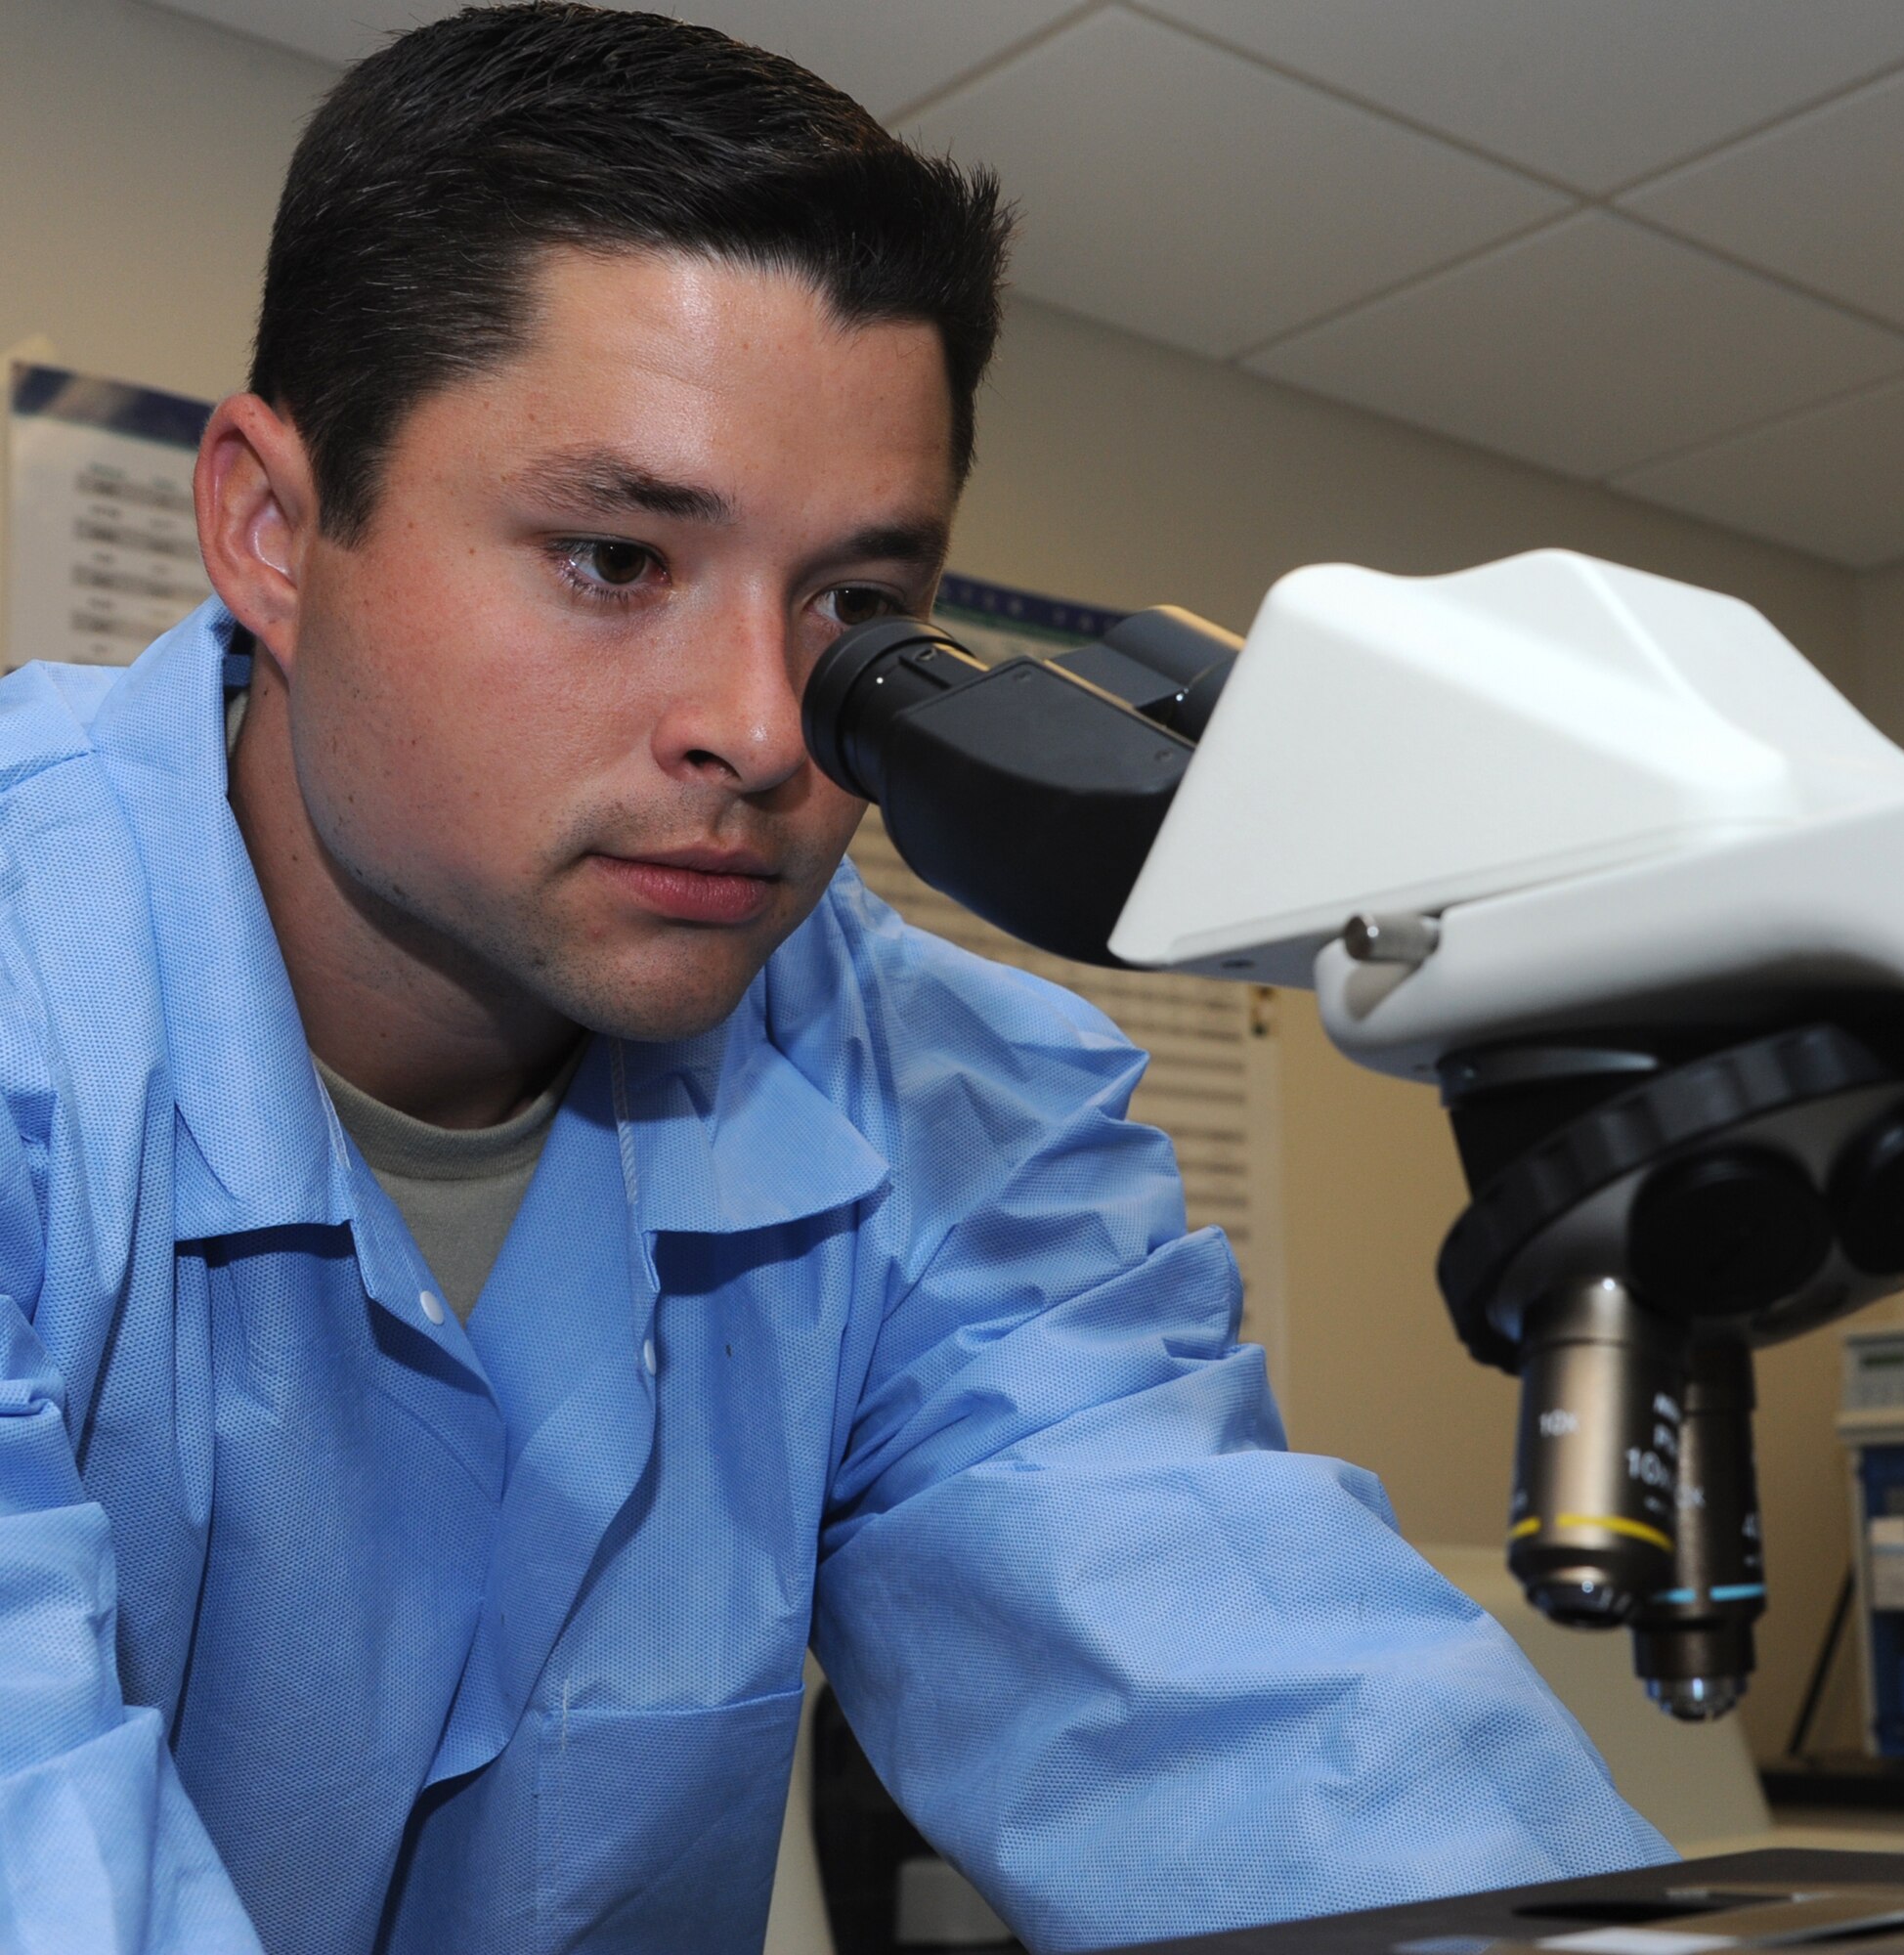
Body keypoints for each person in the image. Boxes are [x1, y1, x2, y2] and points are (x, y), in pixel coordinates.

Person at [0, 7, 1670, 1952]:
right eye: (616, 557)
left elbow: (1273, 1729)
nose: (763, 727)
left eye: (860, 609)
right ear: (274, 533)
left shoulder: (937, 1106)